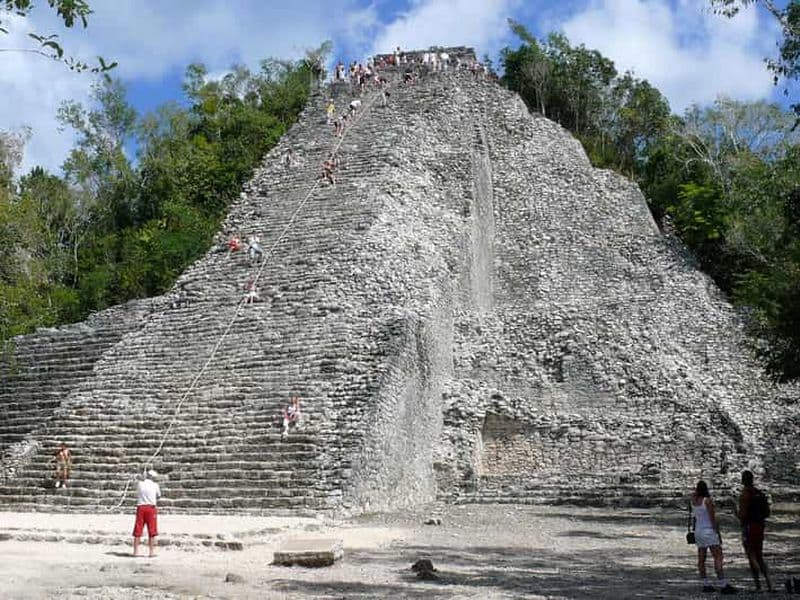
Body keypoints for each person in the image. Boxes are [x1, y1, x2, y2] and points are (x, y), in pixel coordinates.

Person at [690, 480, 736, 594]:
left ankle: (705, 583)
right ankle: (722, 584)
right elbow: (712, 518)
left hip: (698, 531)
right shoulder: (707, 501)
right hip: (709, 531)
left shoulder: (693, 501)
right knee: (718, 557)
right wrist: (718, 533)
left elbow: (694, 518)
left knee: (701, 558)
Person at [738, 470, 773, 592]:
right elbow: (767, 512)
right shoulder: (759, 493)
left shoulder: (744, 495)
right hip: (760, 526)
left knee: (751, 555)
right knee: (759, 555)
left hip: (749, 527)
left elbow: (742, 515)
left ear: (743, 480)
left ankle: (758, 585)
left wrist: (736, 514)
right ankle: (769, 584)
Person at [133, 469, 161, 557]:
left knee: (138, 529)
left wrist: (142, 477)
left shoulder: (140, 484)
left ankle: (135, 552)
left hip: (141, 508)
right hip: (151, 508)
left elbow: (138, 480)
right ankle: (151, 552)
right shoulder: (155, 485)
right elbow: (159, 496)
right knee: (152, 530)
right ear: (152, 477)